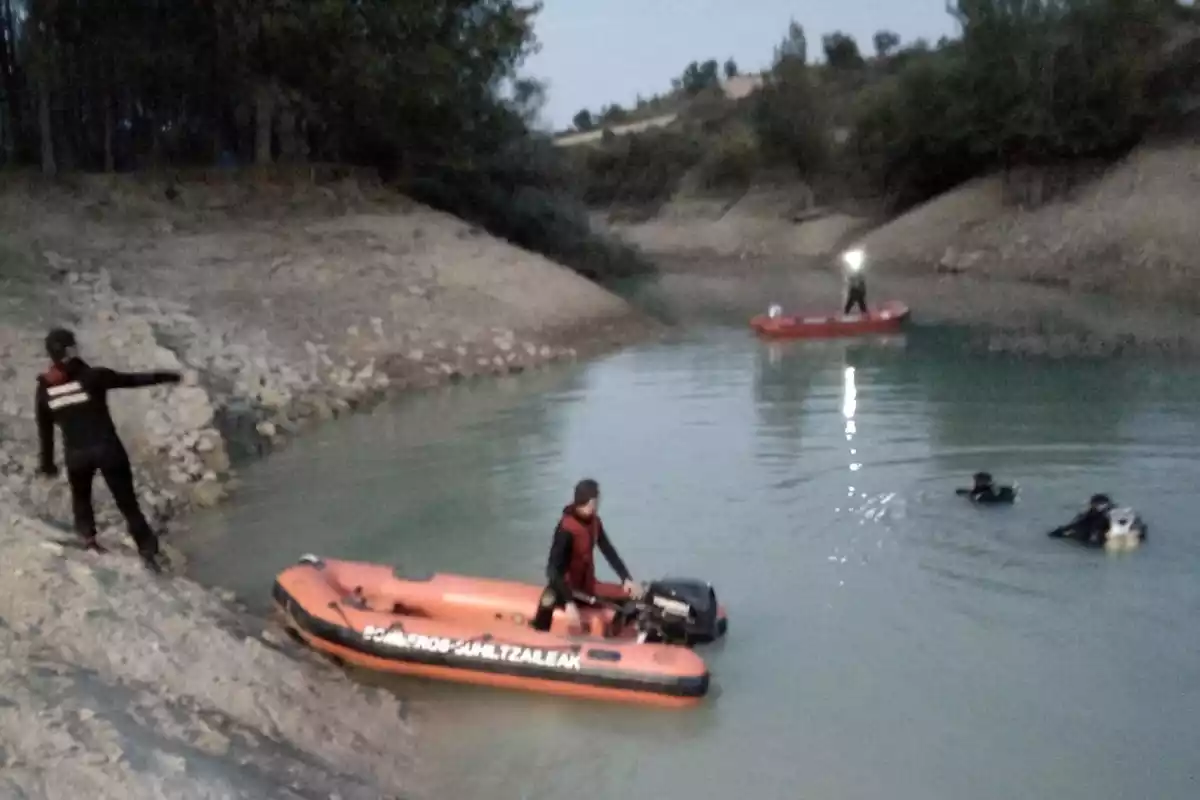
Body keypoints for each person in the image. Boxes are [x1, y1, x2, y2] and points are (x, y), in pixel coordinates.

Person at [35, 328, 182, 572]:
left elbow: (45, 429)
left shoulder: (45, 389)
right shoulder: (94, 377)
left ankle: (89, 541)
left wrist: (47, 464)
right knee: (127, 503)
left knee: (81, 498)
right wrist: (169, 376)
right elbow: (133, 380)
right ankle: (149, 554)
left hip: (77, 456)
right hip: (108, 450)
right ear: (71, 350)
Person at [531, 478, 640, 633]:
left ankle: (623, 635)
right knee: (548, 598)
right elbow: (553, 571)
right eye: (597, 499)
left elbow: (608, 551)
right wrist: (569, 603)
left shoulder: (594, 522)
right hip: (566, 590)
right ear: (591, 501)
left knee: (631, 598)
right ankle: (539, 632)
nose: (599, 502)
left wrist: (626, 578)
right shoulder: (566, 530)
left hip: (586, 587)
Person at [1047, 493, 1121, 547]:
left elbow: (1075, 525)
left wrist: (1058, 532)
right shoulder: (1115, 515)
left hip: (1093, 541)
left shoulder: (1089, 516)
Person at [842, 248, 868, 315]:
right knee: (855, 303)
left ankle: (846, 315)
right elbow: (851, 280)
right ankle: (846, 315)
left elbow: (858, 280)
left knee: (858, 303)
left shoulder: (858, 272)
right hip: (855, 289)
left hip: (857, 289)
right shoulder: (854, 272)